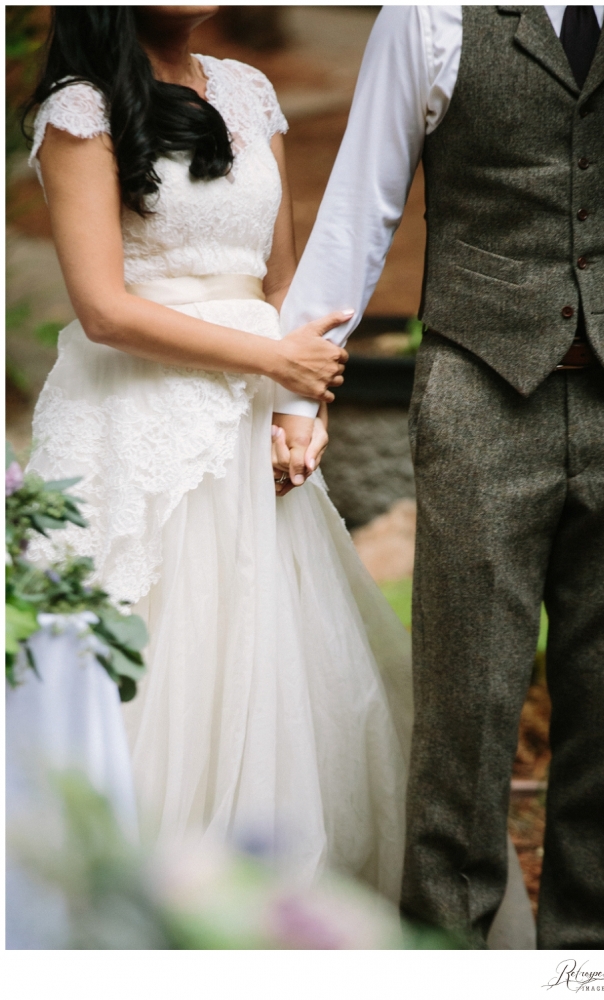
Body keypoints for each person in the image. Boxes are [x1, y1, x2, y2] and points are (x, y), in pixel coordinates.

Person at [24, 5, 414, 902]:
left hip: (251, 419)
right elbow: (104, 309)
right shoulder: (78, 109)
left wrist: (296, 411)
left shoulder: (247, 89)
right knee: (155, 650)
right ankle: (127, 902)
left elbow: (276, 280)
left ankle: (266, 901)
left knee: (268, 648)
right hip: (136, 421)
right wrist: (272, 359)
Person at [275, 6, 604, 950]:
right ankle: (442, 960)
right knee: (464, 710)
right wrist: (296, 389)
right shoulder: (430, 14)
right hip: (479, 391)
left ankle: (590, 965)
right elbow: (361, 201)